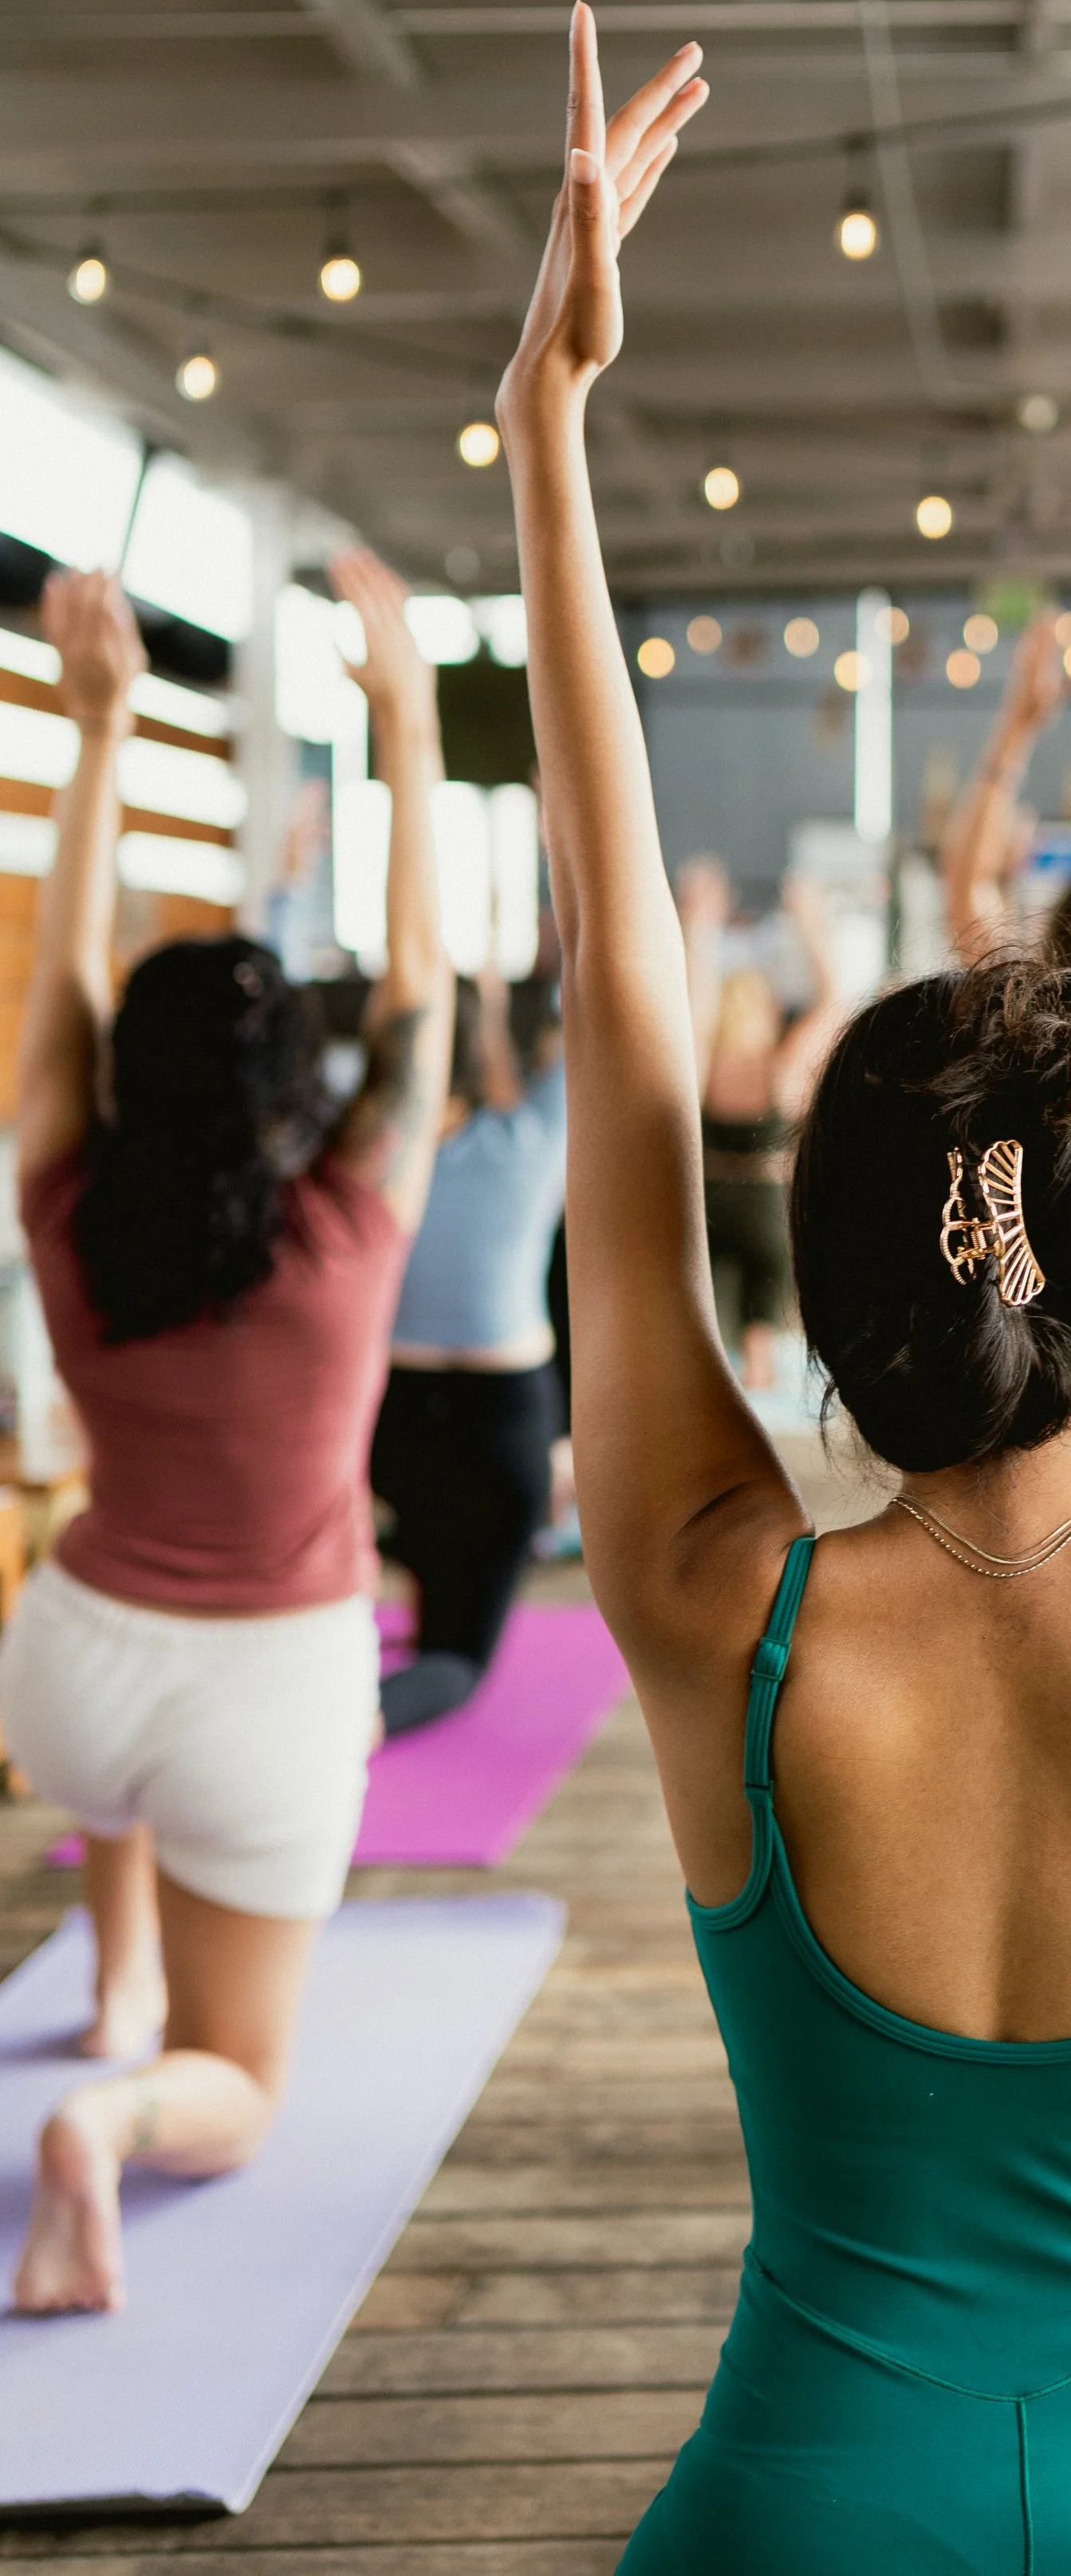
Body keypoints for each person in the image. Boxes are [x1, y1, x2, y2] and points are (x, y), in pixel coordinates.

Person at [495, 9, 1071, 2570]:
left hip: (797, 2506)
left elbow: (622, 1023)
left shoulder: (714, 1600)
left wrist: (546, 435)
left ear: (821, 1298)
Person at [0, 553, 451, 2314]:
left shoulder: (67, 1188)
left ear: (129, 1077)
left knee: (125, 1799)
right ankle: (109, 2120)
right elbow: (418, 975)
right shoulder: (348, 1220)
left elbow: (62, 954)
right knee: (244, 2088)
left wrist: (96, 728)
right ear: (292, 1101)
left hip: (70, 1672)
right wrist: (403, 714)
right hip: (265, 1693)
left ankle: (114, 1988)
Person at [369, 960, 567, 1733]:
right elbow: (594, 1012)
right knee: (458, 1662)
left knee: (428, 1551)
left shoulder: (374, 1160)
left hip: (393, 1422)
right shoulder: (531, 1145)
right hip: (501, 1425)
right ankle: (347, 1725)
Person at [682, 861, 841, 1393]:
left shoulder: (703, 1063)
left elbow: (694, 1002)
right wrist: (809, 923)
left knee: (704, 1336)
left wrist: (697, 925)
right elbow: (832, 1002)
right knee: (760, 1344)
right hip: (764, 1210)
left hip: (705, 1205)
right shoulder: (780, 1069)